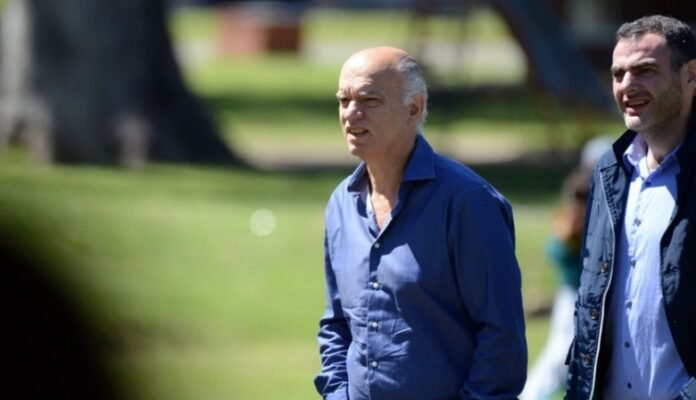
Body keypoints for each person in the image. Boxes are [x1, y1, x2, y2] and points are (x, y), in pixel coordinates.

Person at [314, 46, 527, 400]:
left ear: (414, 108)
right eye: (343, 100)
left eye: (369, 100)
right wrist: (338, 394)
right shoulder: (341, 203)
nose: (351, 113)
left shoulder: (469, 202)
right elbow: (336, 324)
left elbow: (501, 339)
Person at [565, 15, 696, 400]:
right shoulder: (609, 171)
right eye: (618, 74)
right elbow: (589, 303)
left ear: (691, 75)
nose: (627, 85)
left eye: (645, 71)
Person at [521, 166, 590, 400]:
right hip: (569, 297)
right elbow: (555, 251)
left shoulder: (595, 225)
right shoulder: (568, 225)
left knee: (564, 356)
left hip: (586, 298)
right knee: (559, 354)